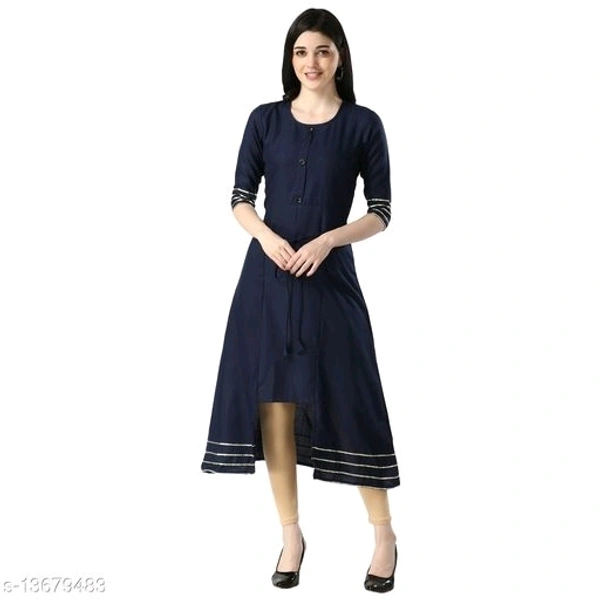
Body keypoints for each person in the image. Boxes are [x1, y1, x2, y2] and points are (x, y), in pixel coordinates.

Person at [201, 7, 400, 593]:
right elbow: (240, 197)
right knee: (274, 406)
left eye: (322, 51)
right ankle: (291, 534)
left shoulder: (364, 124)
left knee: (354, 399)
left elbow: (381, 211)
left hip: (331, 281)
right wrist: (266, 237)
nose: (311, 63)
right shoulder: (263, 119)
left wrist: (329, 240)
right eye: (300, 52)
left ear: (340, 57)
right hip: (265, 284)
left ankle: (384, 534)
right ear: (290, 60)